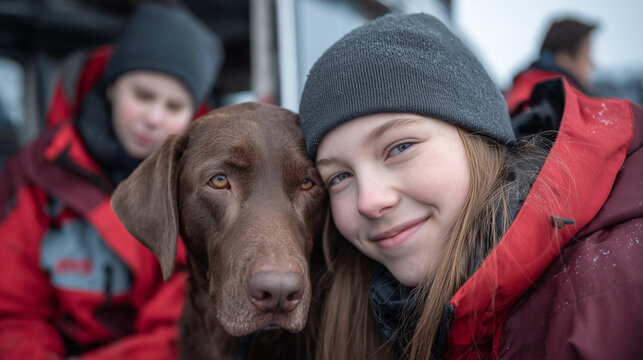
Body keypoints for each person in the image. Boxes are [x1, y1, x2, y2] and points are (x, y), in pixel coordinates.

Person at [298, 13, 643, 360]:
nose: (369, 201)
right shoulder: (347, 306)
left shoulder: (611, 291)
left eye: (400, 147)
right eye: (339, 177)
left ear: (477, 136)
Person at [0, 2, 223, 359]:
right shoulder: (36, 172)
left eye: (173, 106)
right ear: (112, 88)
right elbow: (12, 311)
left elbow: (182, 326)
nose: (153, 118)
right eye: (143, 95)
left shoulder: (209, 193)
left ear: (193, 113)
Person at [505, 17, 597, 116]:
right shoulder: (556, 100)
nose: (593, 65)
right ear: (564, 59)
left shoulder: (528, 86)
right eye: (586, 56)